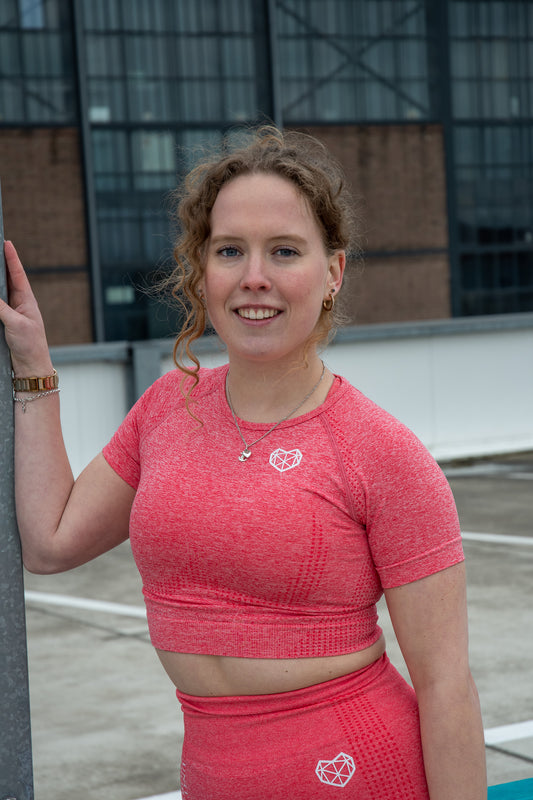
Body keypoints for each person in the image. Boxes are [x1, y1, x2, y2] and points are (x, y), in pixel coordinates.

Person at [0, 126, 486, 799]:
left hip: (357, 770)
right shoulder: (167, 406)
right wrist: (34, 367)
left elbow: (445, 687)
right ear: (202, 269)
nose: (253, 276)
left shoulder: (381, 451)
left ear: (331, 274)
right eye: (230, 250)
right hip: (213, 775)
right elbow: (50, 542)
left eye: (283, 250)